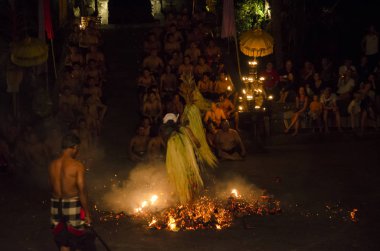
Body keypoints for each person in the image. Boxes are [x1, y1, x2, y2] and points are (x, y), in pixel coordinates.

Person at [49, 134, 95, 251]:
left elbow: (53, 186)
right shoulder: (77, 166)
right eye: (77, 148)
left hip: (55, 204)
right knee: (78, 241)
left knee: (63, 241)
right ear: (74, 147)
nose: (77, 151)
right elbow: (81, 191)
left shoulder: (52, 165)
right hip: (72, 204)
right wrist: (87, 214)